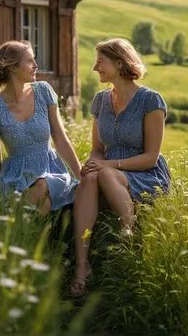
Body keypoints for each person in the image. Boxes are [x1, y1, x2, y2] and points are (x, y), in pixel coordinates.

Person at [69, 38, 171, 298]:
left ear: (119, 62)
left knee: (101, 172)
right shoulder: (101, 101)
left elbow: (150, 157)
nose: (95, 68)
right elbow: (97, 149)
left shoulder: (150, 100)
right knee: (90, 178)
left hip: (145, 174)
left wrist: (106, 165)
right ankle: (82, 268)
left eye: (100, 62)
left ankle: (129, 235)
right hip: (109, 172)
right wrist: (92, 164)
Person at [0, 40, 81, 216]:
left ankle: (20, 234)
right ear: (12, 68)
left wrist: (81, 176)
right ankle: (37, 240)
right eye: (30, 61)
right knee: (44, 203)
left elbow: (60, 139)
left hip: (50, 168)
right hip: (15, 175)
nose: (36, 65)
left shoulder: (44, 91)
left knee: (42, 184)